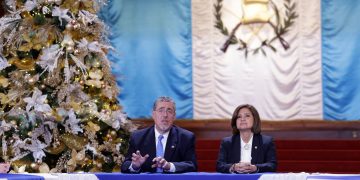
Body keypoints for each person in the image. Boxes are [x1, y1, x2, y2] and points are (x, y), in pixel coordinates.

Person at [121, 96, 197, 173]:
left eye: (169, 111)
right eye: (161, 110)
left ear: (174, 116)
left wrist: (170, 166)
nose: (165, 115)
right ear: (153, 114)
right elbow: (125, 166)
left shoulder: (186, 138)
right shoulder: (138, 137)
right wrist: (135, 166)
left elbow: (192, 165)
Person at [216, 104, 277, 173]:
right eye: (239, 117)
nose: (242, 119)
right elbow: (219, 165)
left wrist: (255, 168)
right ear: (235, 121)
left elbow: (272, 165)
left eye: (247, 116)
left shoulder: (266, 142)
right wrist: (233, 167)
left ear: (255, 119)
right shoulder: (227, 142)